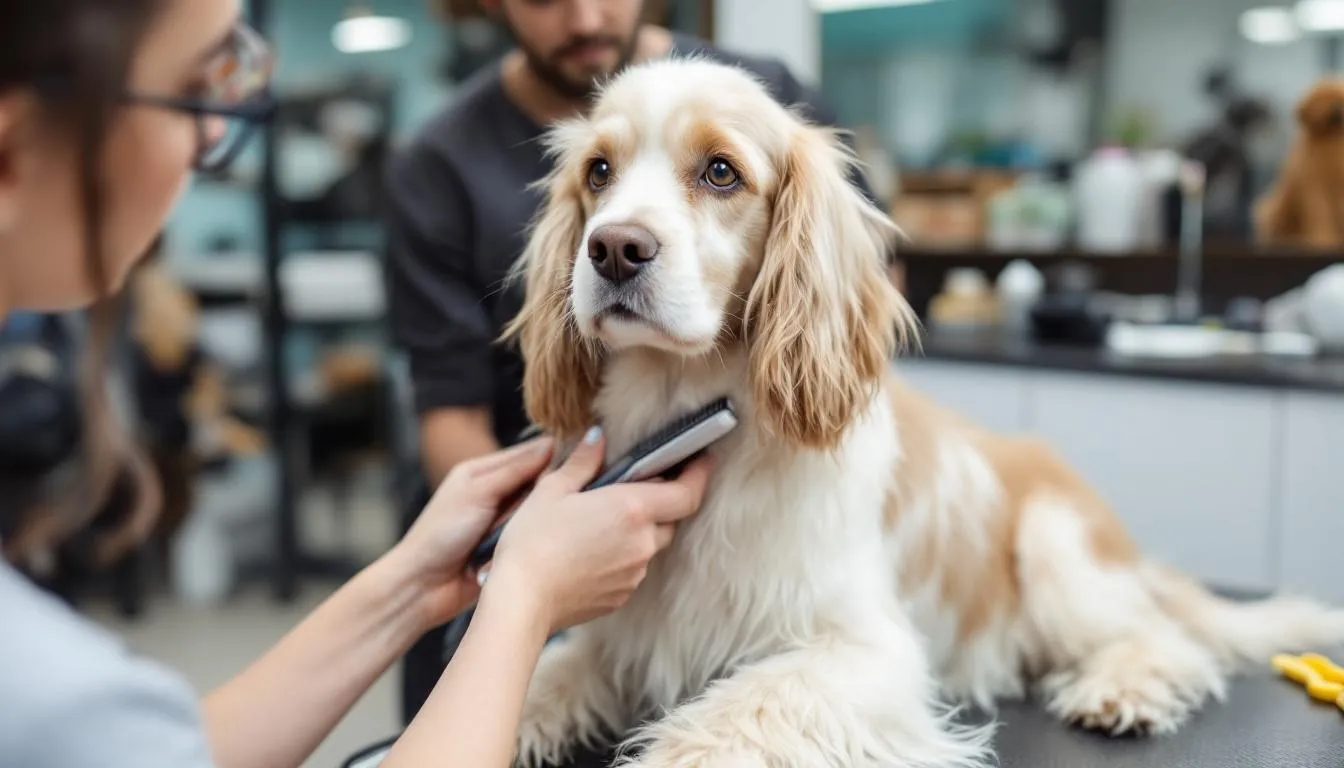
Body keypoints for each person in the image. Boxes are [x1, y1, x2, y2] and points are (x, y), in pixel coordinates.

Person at [0, 2, 712, 767]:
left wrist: (411, 585)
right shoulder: (50, 699)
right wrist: (527, 591)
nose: (215, 135)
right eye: (193, 89)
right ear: (11, 155)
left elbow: (167, 754)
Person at [383, 0, 877, 719]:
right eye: (602, 173)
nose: (584, 16)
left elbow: (860, 285)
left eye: (716, 173)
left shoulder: (773, 92)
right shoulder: (435, 162)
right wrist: (529, 566)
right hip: (528, 515)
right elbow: (447, 412)